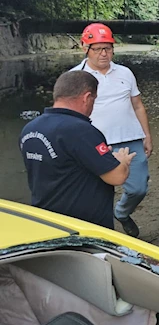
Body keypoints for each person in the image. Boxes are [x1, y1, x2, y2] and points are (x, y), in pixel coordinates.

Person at [20, 71, 135, 229]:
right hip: (84, 227)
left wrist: (98, 157)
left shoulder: (30, 129)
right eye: (94, 100)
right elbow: (117, 176)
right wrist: (122, 161)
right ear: (87, 97)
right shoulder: (81, 130)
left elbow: (62, 164)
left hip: (46, 222)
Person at [70, 23, 152, 237]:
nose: (104, 53)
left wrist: (147, 136)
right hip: (95, 144)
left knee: (138, 188)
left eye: (108, 48)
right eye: (97, 49)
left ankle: (122, 213)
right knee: (98, 194)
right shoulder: (75, 78)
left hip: (130, 138)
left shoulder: (125, 72)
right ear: (84, 48)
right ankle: (105, 235)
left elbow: (138, 105)